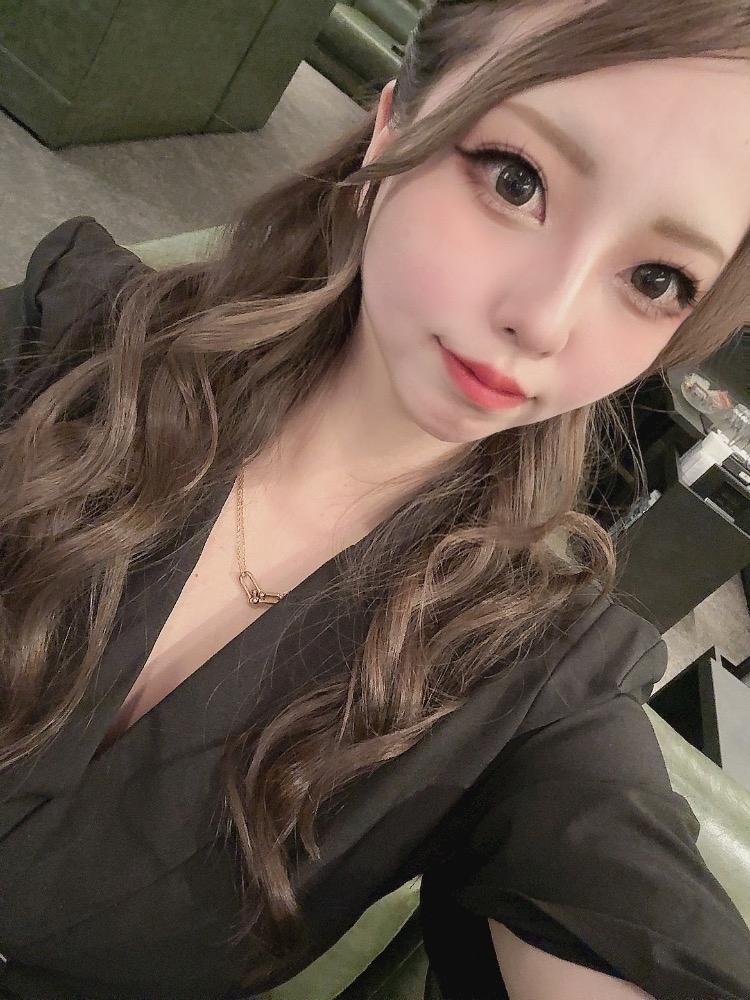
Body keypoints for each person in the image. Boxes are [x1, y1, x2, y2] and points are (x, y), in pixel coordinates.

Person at [0, 0, 749, 997]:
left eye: (656, 278)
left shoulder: (535, 685)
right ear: (394, 127)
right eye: (517, 180)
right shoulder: (68, 336)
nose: (544, 318)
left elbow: (626, 903)